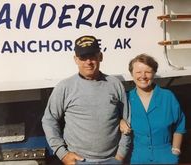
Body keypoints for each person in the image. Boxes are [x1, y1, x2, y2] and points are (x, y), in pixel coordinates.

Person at [42, 35, 131, 165]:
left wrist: (120, 156)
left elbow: (127, 120)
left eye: (93, 56)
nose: (88, 62)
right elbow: (49, 120)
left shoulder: (114, 84)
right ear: (76, 59)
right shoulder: (65, 87)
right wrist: (63, 154)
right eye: (83, 57)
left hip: (112, 160)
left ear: (100, 56)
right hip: (79, 161)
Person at [120, 54, 186, 164]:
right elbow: (112, 118)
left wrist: (175, 150)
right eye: (138, 72)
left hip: (166, 156)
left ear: (154, 73)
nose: (143, 76)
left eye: (147, 72)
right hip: (137, 157)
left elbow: (180, 125)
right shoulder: (126, 99)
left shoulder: (167, 97)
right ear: (132, 74)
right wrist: (120, 121)